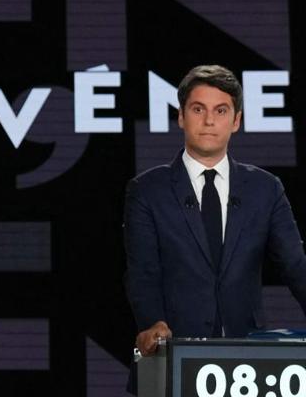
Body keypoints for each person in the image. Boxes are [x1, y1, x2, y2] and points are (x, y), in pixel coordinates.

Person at [125, 64, 306, 365]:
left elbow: (296, 266)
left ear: (236, 121)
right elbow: (143, 272)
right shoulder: (147, 190)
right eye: (198, 109)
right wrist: (152, 323)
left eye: (221, 111)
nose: (209, 121)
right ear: (181, 116)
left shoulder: (266, 189)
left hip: (248, 363)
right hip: (172, 360)